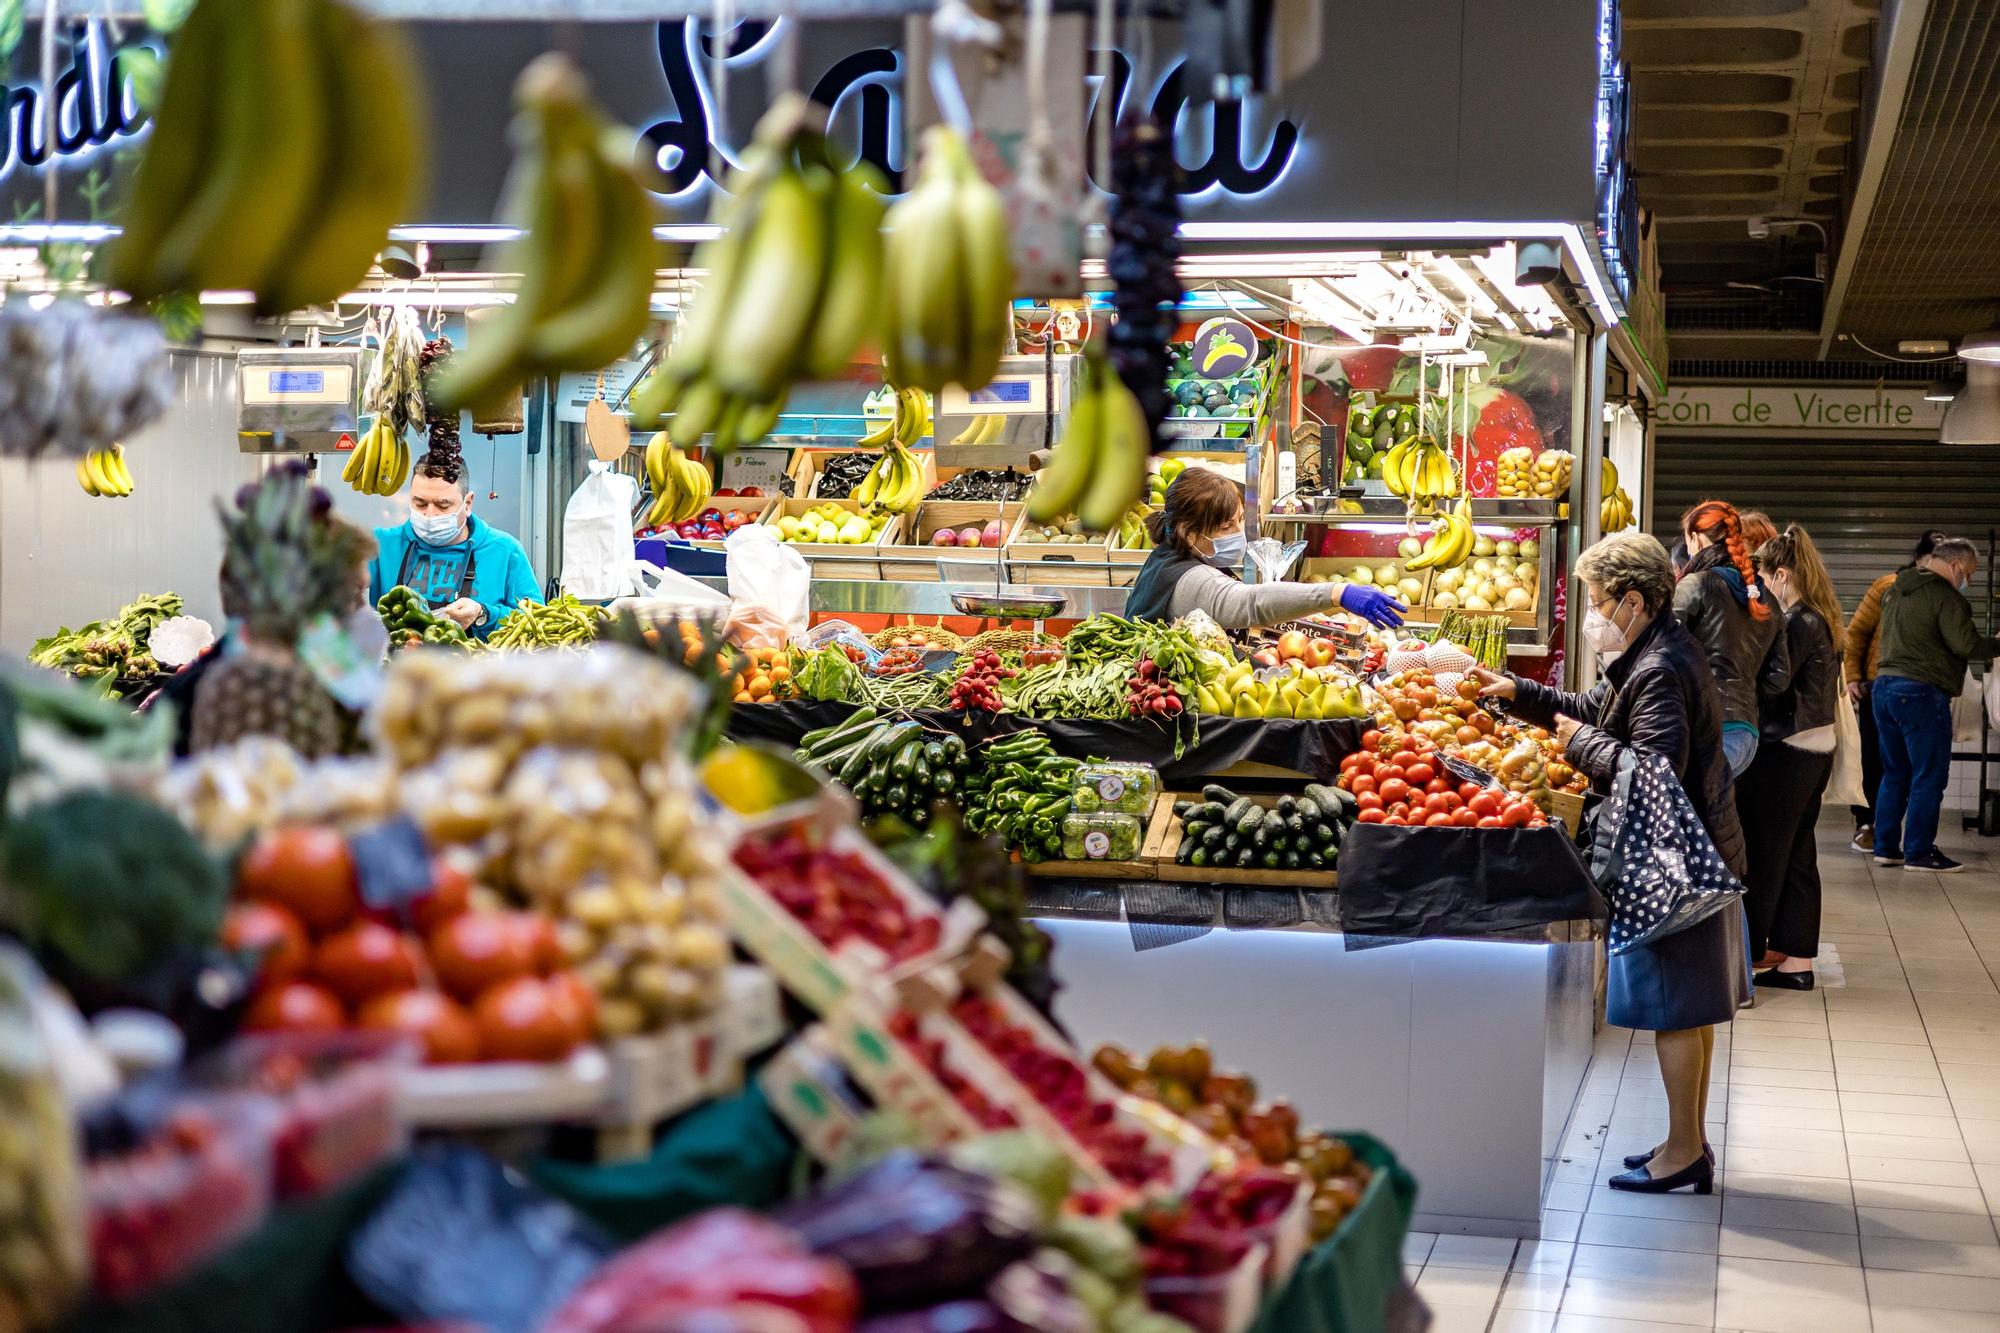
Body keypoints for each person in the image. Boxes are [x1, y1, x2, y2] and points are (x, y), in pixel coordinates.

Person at [1473, 531, 1746, 1195]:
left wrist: (1583, 745)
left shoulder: (1656, 669)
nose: (1592, 613)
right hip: (1696, 852)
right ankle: (1689, 1139)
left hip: (1669, 865)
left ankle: (1683, 1150)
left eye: (1598, 600)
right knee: (1692, 1006)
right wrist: (1518, 692)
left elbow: (1655, 770)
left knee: (1675, 1009)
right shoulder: (1652, 652)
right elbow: (1592, 710)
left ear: (1633, 599)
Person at [1740, 526, 1843, 989]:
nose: (1760, 589)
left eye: (1762, 578)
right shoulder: (1820, 615)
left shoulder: (1799, 622)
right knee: (1798, 854)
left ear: (1781, 575)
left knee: (1766, 854)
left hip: (1786, 748)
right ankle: (1797, 962)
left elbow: (1775, 684)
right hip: (1814, 748)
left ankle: (1747, 956)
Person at [1125, 467, 1406, 629]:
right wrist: (1337, 593)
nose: (1238, 534)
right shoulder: (1193, 580)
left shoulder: (1166, 558)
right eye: (1226, 527)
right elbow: (1250, 602)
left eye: (1240, 521)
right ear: (1189, 533)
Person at [1870, 536, 1999, 873]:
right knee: (1929, 775)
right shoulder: (1944, 595)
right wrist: (1996, 645)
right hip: (1920, 692)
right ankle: (1919, 852)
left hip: (1883, 688)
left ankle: (1885, 847)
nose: (1967, 579)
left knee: (1895, 773)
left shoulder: (1897, 589)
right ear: (1956, 565)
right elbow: (1964, 643)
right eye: (1968, 572)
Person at [1843, 530, 1948, 854]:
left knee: (1904, 768)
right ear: (1924, 558)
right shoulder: (1888, 586)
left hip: (1914, 687)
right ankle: (1868, 825)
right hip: (1879, 685)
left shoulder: (1938, 593)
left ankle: (1892, 837)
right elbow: (1857, 632)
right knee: (1876, 761)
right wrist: (1852, 676)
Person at [368, 450, 541, 641]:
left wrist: (483, 614)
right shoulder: (379, 545)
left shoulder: (506, 552)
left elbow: (538, 624)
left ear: (467, 503)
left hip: (479, 670)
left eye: (443, 505)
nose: (429, 514)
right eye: (420, 503)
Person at [1676, 499, 1788, 778]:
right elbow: (1778, 677)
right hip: (1746, 735)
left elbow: (1662, 649)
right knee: (1712, 813)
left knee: (1683, 818)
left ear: (1695, 538)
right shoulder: (1768, 599)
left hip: (1701, 729)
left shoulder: (1696, 585)